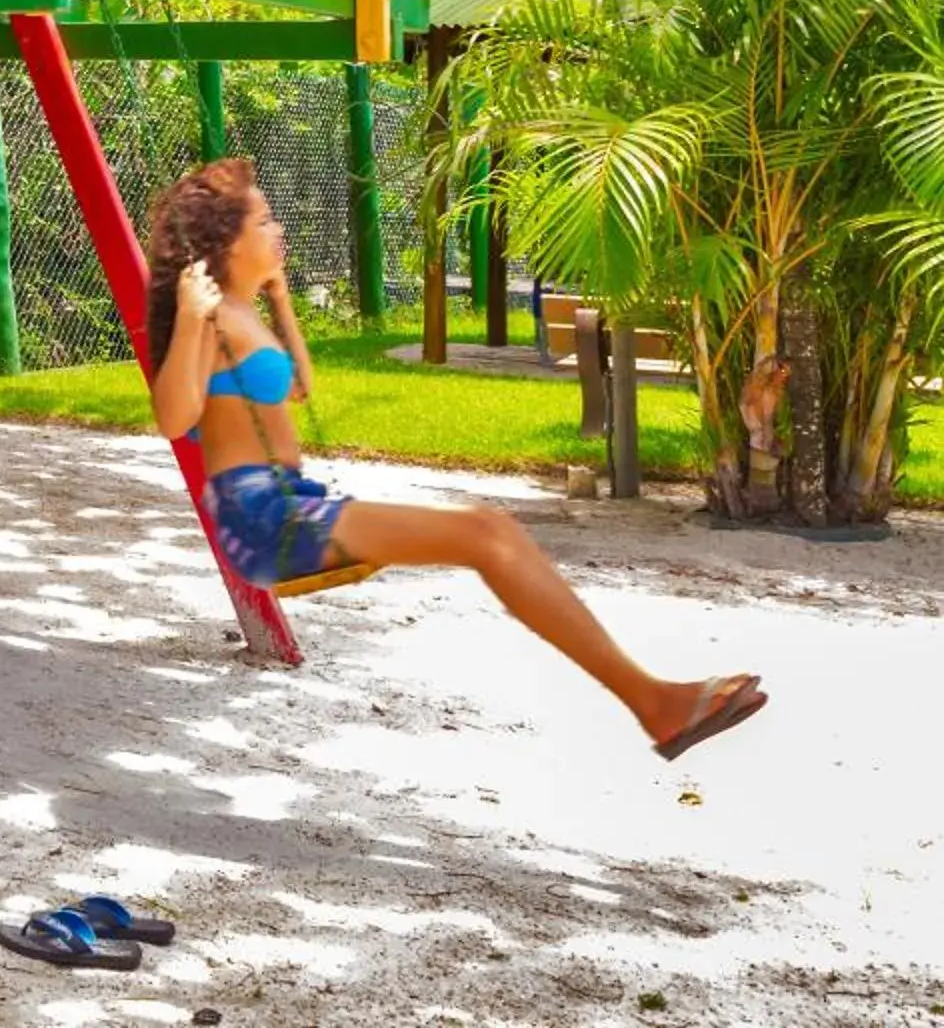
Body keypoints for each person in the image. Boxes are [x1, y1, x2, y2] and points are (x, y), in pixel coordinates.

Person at [146, 157, 765, 760]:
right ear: (223, 245)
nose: (277, 231)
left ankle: (653, 700)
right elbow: (174, 416)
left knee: (490, 531)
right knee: (486, 534)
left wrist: (280, 300)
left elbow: (298, 384)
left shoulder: (244, 311)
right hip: (260, 517)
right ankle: (653, 702)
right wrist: (190, 317)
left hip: (290, 501)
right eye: (263, 222)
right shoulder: (211, 316)